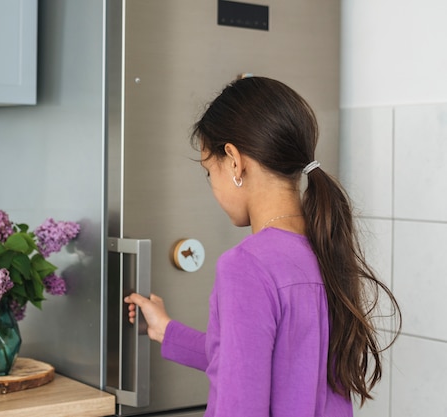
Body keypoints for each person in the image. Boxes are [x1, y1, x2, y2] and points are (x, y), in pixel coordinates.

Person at [124, 75, 401, 417]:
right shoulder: (325, 247)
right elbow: (270, 364)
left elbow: (241, 404)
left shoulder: (247, 265)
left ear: (235, 161)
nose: (213, 187)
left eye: (210, 173)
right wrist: (166, 330)